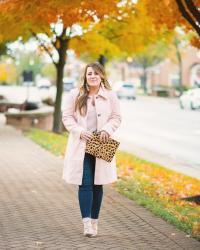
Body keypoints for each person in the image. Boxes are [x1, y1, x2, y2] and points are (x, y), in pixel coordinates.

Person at [62, 62, 121, 237]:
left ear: (101, 75)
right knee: (85, 182)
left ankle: (95, 222)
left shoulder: (110, 95)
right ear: (85, 76)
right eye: (89, 73)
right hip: (81, 144)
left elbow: (116, 117)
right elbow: (67, 117)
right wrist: (79, 131)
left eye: (96, 73)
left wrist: (107, 130)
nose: (93, 76)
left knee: (98, 183)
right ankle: (87, 224)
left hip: (101, 143)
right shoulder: (75, 94)